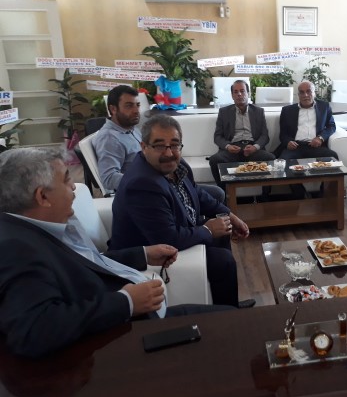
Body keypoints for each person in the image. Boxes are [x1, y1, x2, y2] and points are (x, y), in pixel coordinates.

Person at [0, 148, 232, 358]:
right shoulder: (16, 249)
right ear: (43, 197)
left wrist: (143, 254)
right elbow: (33, 331)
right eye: (67, 179)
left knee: (229, 319)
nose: (74, 187)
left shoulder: (46, 226)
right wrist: (126, 302)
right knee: (228, 326)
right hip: (123, 338)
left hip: (139, 319)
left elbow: (87, 263)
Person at [109, 114, 255, 308]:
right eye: (159, 146)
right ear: (144, 147)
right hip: (151, 252)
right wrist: (208, 230)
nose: (169, 153)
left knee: (223, 230)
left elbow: (197, 193)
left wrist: (230, 215)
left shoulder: (177, 165)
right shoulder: (142, 184)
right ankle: (226, 314)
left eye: (174, 144)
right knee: (223, 260)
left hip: (177, 225)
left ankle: (227, 305)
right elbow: (168, 238)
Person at [92, 85, 225, 202]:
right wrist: (149, 181)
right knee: (216, 194)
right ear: (113, 109)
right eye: (129, 106)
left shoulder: (131, 129)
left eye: (137, 105)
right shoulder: (109, 138)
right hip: (149, 191)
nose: (136, 110)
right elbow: (108, 178)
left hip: (165, 180)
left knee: (213, 193)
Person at [208, 80, 274, 190]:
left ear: (248, 93)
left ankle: (265, 196)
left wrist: (255, 147)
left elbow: (264, 136)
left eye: (242, 91)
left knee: (270, 158)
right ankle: (224, 194)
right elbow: (217, 137)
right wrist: (228, 146)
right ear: (232, 95)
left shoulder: (258, 111)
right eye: (236, 92)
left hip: (252, 148)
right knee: (214, 160)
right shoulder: (224, 112)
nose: (239, 94)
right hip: (233, 149)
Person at [276, 80, 338, 161]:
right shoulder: (287, 110)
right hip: (295, 147)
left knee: (333, 157)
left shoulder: (324, 107)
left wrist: (320, 138)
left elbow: (331, 126)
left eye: (309, 91)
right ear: (298, 95)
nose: (305, 95)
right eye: (302, 92)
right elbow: (283, 134)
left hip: (315, 146)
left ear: (314, 93)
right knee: (282, 163)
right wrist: (288, 142)